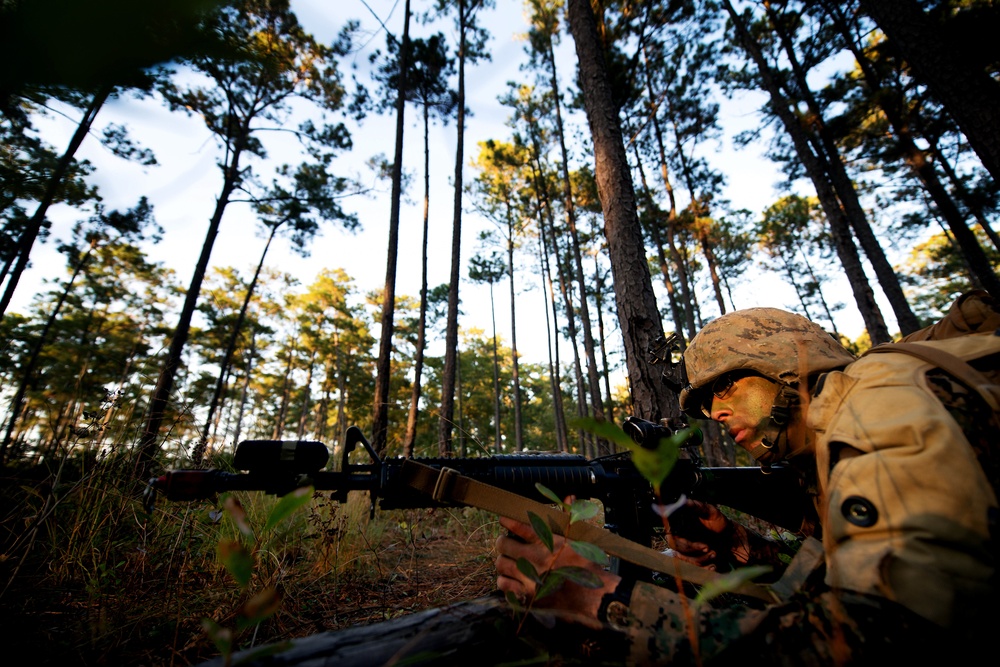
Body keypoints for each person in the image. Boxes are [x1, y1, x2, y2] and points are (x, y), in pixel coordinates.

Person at [495, 293, 999, 664]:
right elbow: (851, 578)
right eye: (705, 401)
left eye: (727, 385)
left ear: (782, 363)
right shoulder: (830, 443)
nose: (714, 411)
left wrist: (600, 603)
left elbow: (888, 641)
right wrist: (744, 550)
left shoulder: (879, 408)